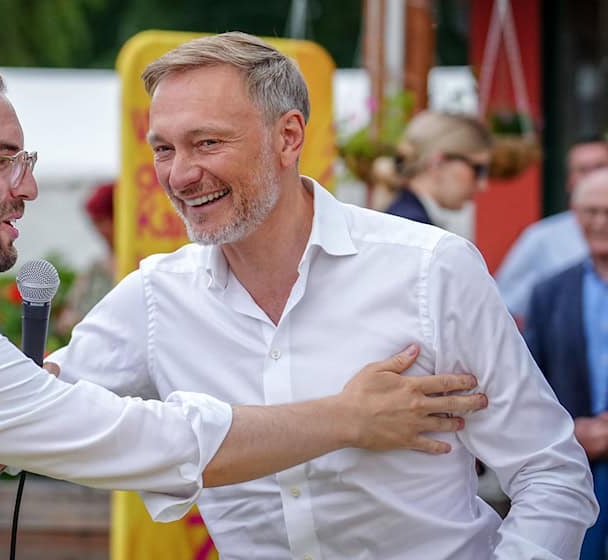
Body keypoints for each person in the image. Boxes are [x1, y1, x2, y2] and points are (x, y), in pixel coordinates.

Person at [0, 52, 489, 559]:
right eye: (1, 160)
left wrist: (34, 394)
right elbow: (153, 441)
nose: (26, 185)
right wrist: (350, 417)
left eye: (24, 161)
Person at [49, 32, 596, 559]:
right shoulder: (155, 296)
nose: (181, 174)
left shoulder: (431, 268)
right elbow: (31, 412)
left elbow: (550, 472)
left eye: (208, 142)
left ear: (288, 137)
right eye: (164, 148)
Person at [525, 167, 608, 560]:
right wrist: (570, 430)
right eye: (589, 211)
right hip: (576, 462)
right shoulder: (550, 292)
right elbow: (531, 377)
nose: (598, 222)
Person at [498, 136, 608, 323]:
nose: (599, 223)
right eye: (582, 170)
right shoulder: (542, 238)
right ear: (569, 180)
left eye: (600, 167)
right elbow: (505, 300)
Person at [381, 110, 492, 228]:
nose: (482, 185)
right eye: (478, 169)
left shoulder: (405, 217)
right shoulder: (416, 227)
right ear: (438, 162)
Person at [57, 181, 116, 332]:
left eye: (101, 221)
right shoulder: (95, 269)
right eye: (94, 223)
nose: (98, 230)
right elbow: (68, 316)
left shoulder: (140, 264)